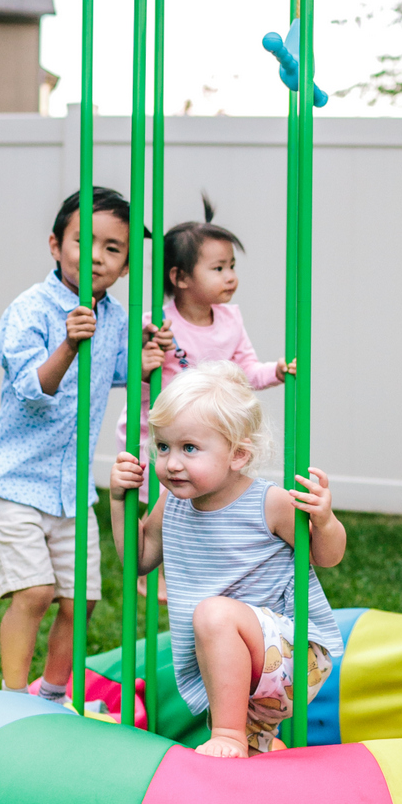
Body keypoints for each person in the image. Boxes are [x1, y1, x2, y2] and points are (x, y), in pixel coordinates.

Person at [0, 186, 166, 702]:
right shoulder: (31, 310)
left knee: (79, 601)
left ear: (126, 265)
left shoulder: (116, 318)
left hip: (71, 489)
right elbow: (32, 391)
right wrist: (69, 343)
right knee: (35, 593)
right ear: (56, 245)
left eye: (113, 249)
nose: (97, 257)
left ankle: (54, 696)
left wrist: (149, 359)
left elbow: (121, 372)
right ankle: (13, 698)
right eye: (85, 241)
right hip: (16, 480)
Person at [110, 361, 345, 757]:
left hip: (293, 654)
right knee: (248, 762)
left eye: (189, 448)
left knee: (213, 615)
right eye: (163, 446)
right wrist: (120, 502)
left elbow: (326, 557)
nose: (171, 463)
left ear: (237, 455)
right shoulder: (172, 503)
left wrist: (325, 520)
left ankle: (228, 734)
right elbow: (138, 560)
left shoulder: (267, 503)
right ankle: (258, 745)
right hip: (232, 665)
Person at [122, 194, 294, 601]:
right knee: (165, 490)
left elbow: (245, 370)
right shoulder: (159, 325)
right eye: (218, 268)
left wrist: (276, 372)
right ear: (180, 278)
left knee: (204, 493)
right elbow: (137, 380)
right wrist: (148, 356)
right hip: (163, 432)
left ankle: (204, 558)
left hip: (210, 434)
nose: (230, 276)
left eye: (232, 266)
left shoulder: (231, 319)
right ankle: (153, 567)